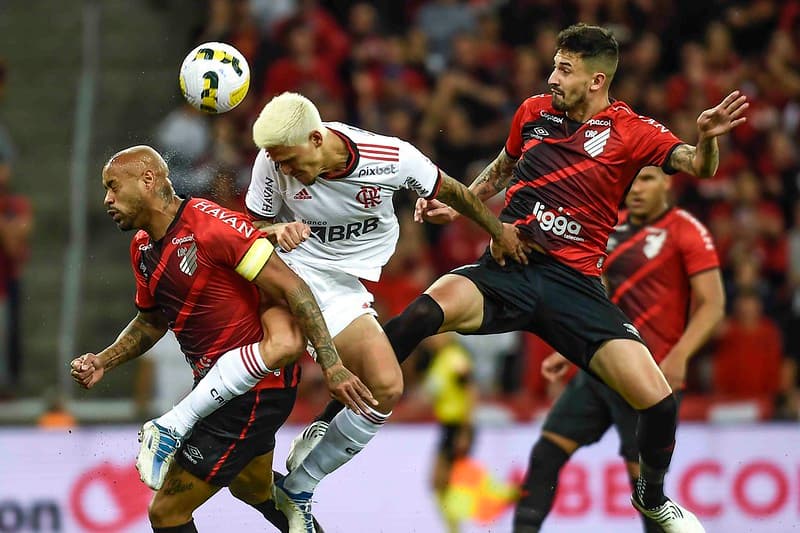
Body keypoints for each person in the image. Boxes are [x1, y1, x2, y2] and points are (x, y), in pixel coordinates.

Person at [296, 23, 749, 533]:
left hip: (575, 287)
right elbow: (504, 167)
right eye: (554, 65)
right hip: (508, 269)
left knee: (659, 402)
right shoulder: (533, 113)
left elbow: (696, 165)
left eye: (565, 69)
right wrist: (459, 201)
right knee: (419, 315)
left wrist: (707, 140)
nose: (552, 77)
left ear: (597, 80)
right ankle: (327, 421)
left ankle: (652, 498)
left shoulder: (631, 131)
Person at [150, 91, 525, 533]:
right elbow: (247, 232)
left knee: (386, 385)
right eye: (279, 163)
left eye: (291, 161)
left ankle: (300, 486)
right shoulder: (271, 161)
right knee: (283, 345)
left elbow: (455, 191)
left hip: (342, 283)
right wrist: (275, 228)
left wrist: (495, 230)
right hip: (291, 268)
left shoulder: (391, 157)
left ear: (316, 138)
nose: (285, 170)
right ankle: (173, 424)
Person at [70, 145, 373, 533]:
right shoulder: (143, 247)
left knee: (166, 513)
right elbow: (150, 323)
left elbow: (294, 289)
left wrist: (331, 364)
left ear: (148, 180)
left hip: (254, 391)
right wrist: (103, 360)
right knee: (255, 489)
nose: (107, 199)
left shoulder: (211, 227)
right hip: (218, 388)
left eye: (113, 186)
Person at [513, 166, 724, 532]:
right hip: (600, 369)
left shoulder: (685, 230)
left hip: (647, 376)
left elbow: (713, 304)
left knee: (645, 489)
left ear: (667, 182)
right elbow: (596, 297)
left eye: (648, 179)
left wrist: (680, 355)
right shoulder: (609, 227)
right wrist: (569, 348)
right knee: (545, 455)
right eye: (634, 180)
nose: (637, 189)